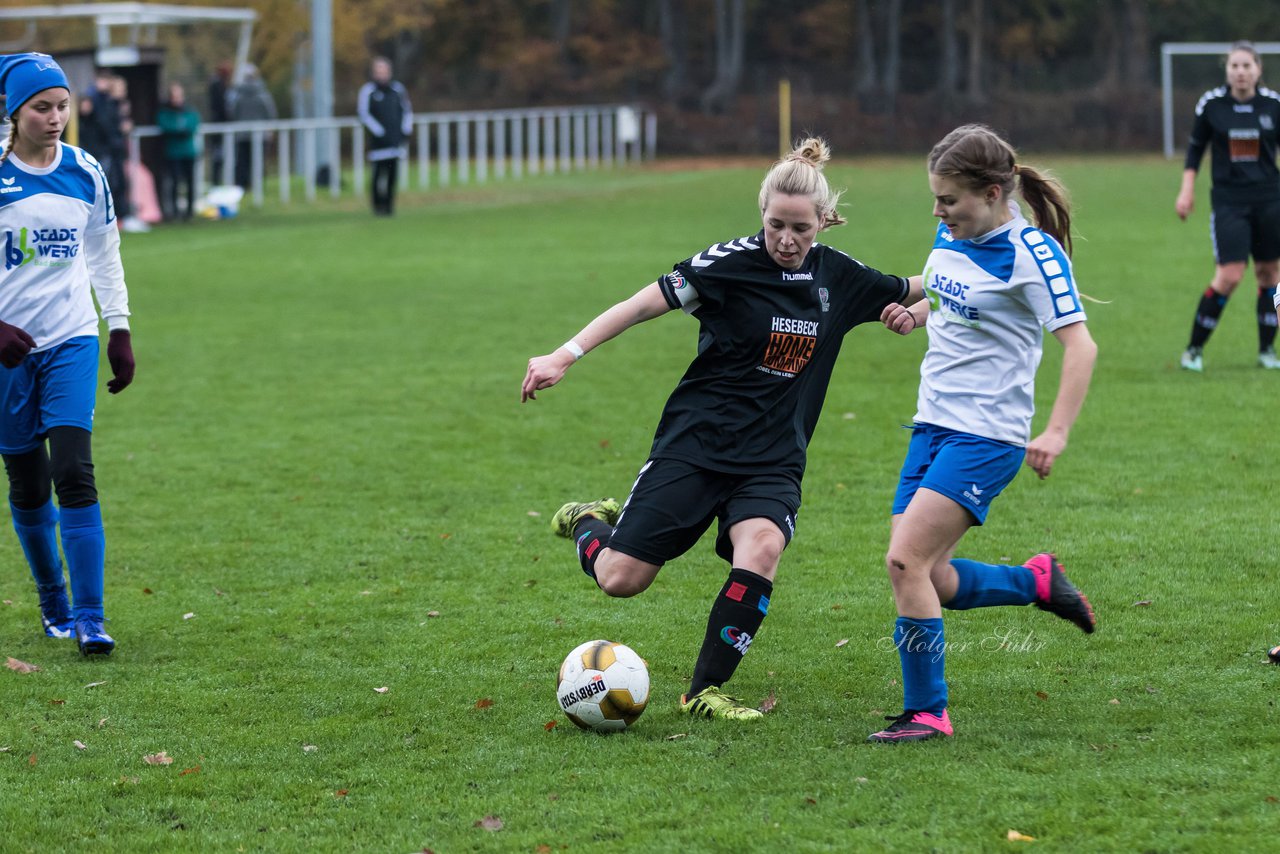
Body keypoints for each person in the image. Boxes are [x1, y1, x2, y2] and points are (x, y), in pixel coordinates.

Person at [522, 138, 923, 721]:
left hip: (772, 459)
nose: (787, 240)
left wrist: (920, 311)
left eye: (801, 229)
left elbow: (929, 288)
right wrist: (565, 354)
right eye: (776, 225)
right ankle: (587, 520)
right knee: (619, 579)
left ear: (823, 223)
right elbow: (640, 305)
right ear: (762, 214)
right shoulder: (727, 265)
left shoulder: (841, 277)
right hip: (697, 445)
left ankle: (703, 690)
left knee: (761, 548)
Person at [867, 124, 1098, 743]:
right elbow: (947, 292)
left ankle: (927, 712)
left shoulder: (1032, 254)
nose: (938, 211)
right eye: (937, 198)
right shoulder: (953, 232)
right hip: (931, 426)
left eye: (949, 199)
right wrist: (915, 312)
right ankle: (1035, 581)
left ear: (993, 192)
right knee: (929, 577)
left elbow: (1081, 347)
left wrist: (1055, 431)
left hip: (987, 436)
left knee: (903, 561)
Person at [0, 53, 136, 656]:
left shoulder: (86, 170)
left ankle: (90, 616)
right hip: (8, 353)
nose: (56, 118)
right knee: (28, 485)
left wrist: (120, 329)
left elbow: (104, 254)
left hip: (70, 338)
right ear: (14, 112)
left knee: (73, 471)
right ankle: (51, 595)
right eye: (42, 107)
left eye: (62, 106)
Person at [1176, 40, 1280, 372]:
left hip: (1269, 199)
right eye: (1234, 66)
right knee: (1230, 275)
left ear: (1258, 69)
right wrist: (1186, 191)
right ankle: (1193, 350)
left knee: (1270, 274)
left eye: (1246, 66)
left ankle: (1267, 351)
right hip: (1229, 202)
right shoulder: (1212, 105)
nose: (1240, 72)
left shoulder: (1274, 105)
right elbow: (1194, 152)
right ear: (1227, 69)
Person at [357, 57, 413, 215]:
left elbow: (407, 111)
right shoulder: (368, 91)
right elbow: (363, 114)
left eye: (384, 71)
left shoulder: (398, 89)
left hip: (395, 141)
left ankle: (389, 206)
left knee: (392, 175)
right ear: (373, 73)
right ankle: (377, 206)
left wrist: (405, 132)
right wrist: (379, 133)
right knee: (377, 175)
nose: (382, 75)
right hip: (378, 143)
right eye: (378, 71)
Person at [226, 64, 277, 191]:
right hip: (260, 134)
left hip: (242, 134)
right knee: (258, 161)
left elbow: (232, 113)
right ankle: (257, 186)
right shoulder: (263, 94)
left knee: (243, 162)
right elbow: (271, 113)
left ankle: (243, 186)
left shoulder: (237, 95)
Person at [155, 82, 200, 221]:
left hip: (188, 152)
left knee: (190, 183)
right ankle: (174, 212)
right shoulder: (165, 112)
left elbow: (193, 124)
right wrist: (179, 129)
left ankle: (189, 212)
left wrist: (180, 129)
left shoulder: (189, 111)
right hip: (173, 153)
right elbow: (166, 126)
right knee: (174, 183)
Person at [206, 61, 232, 184]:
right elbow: (220, 106)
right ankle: (216, 180)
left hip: (221, 125)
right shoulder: (217, 85)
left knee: (222, 155)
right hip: (219, 126)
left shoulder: (218, 84)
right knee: (218, 155)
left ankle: (219, 179)